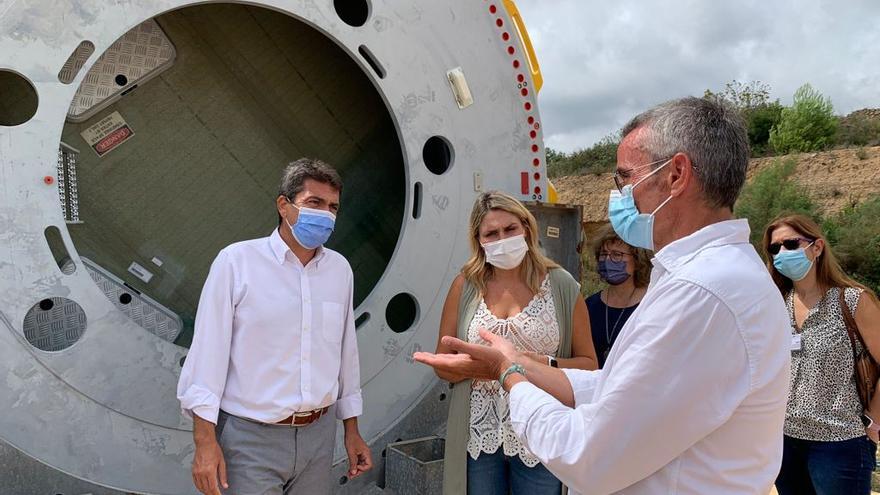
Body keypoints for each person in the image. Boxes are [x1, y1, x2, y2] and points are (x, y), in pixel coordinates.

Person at [414, 97, 792, 494]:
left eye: (626, 177)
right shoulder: (708, 278)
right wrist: (516, 362)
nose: (620, 195)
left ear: (677, 175)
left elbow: (586, 453)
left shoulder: (700, 293)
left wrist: (509, 374)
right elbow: (613, 388)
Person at [177, 158, 372, 495]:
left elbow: (345, 353)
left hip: (318, 438)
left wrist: (351, 430)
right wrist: (205, 443)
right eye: (314, 203)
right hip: (250, 439)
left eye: (332, 207)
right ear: (284, 205)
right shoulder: (237, 263)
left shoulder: (339, 270)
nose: (325, 214)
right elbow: (208, 357)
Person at [435, 191, 597, 495]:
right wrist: (485, 368)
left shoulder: (561, 286)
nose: (502, 239)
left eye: (510, 229)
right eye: (491, 234)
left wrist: (535, 364)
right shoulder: (465, 287)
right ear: (479, 240)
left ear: (527, 227)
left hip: (542, 432)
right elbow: (442, 362)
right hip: (479, 434)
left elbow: (589, 365)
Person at [764, 214, 880, 495]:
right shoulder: (776, 303)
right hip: (785, 441)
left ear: (817, 247)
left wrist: (873, 421)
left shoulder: (852, 300)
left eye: (790, 244)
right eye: (774, 248)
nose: (782, 253)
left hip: (840, 442)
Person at [585, 225, 651, 367]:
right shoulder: (589, 306)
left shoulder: (650, 304)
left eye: (616, 254)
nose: (608, 260)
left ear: (637, 259)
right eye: (604, 254)